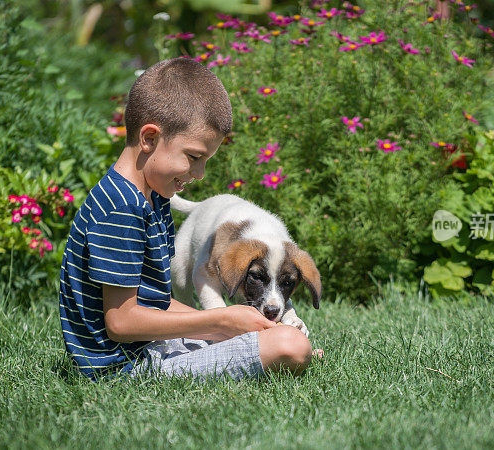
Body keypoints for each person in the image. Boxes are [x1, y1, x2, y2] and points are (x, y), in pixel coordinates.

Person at [58, 58, 322, 381]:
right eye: (194, 158)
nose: (200, 174)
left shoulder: (151, 197)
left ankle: (270, 343)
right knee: (289, 347)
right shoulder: (120, 208)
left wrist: (224, 323)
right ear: (149, 139)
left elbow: (154, 303)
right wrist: (218, 323)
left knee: (278, 338)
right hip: (125, 368)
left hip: (149, 349)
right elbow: (121, 322)